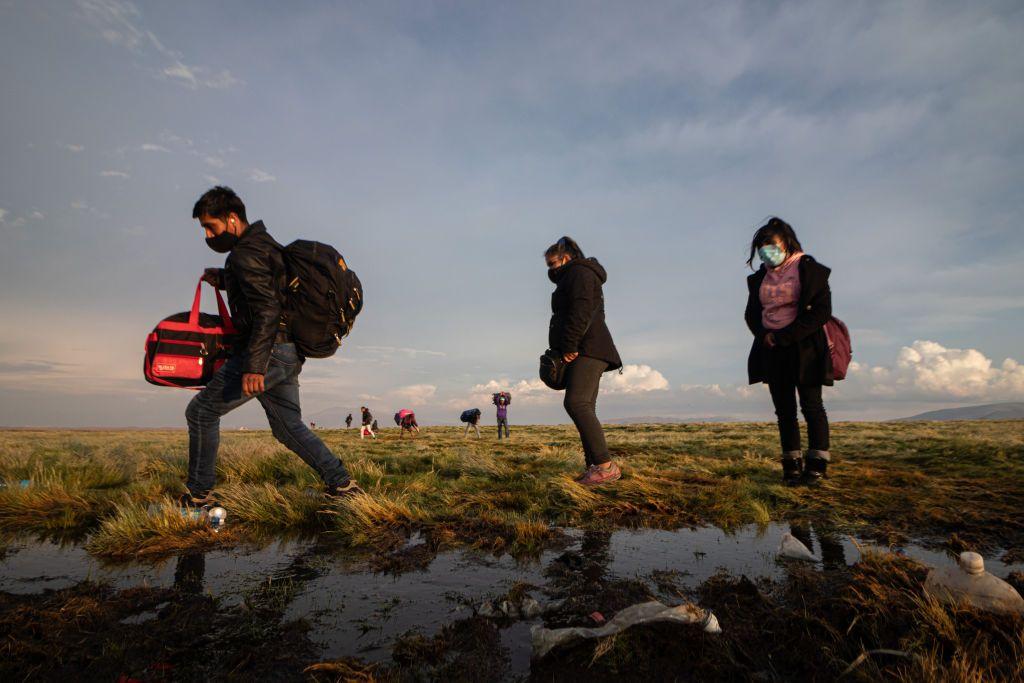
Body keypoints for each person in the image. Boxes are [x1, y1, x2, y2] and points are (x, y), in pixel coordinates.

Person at [181, 186, 361, 507]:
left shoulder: (244, 254)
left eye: (211, 227)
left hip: (268, 353)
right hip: (287, 351)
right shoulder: (262, 243)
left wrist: (254, 365)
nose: (208, 235)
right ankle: (343, 484)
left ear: (232, 219)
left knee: (201, 412)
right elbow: (273, 286)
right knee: (287, 426)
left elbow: (267, 308)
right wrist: (225, 278)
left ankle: (198, 497)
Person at [744, 217, 833, 486]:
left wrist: (786, 336)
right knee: (784, 410)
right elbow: (751, 314)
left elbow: (821, 312)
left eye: (771, 245)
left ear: (787, 244)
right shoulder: (760, 278)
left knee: (811, 405)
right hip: (772, 349)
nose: (766, 251)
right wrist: (766, 336)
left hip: (805, 347)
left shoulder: (810, 270)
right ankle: (791, 466)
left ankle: (816, 466)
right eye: (761, 247)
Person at [545, 236, 623, 486]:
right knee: (583, 404)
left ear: (566, 258)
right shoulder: (577, 275)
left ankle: (604, 466)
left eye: (552, 263)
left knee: (577, 403)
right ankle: (596, 466)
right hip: (588, 347)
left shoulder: (579, 272)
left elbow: (582, 310)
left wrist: (570, 345)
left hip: (587, 349)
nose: (550, 269)